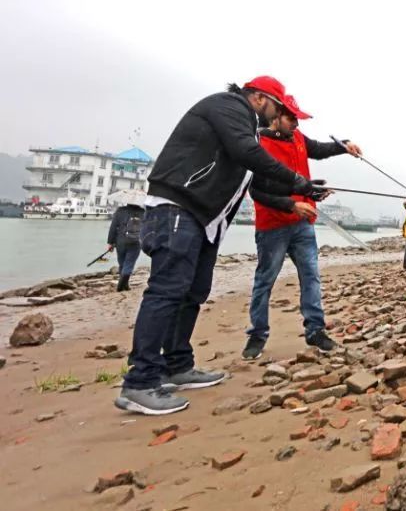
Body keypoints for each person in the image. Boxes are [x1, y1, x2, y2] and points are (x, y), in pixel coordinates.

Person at [115, 77, 319, 416]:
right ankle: (140, 382)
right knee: (166, 292)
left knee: (194, 291)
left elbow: (253, 169)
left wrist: (306, 186)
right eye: (278, 107)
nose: (279, 114)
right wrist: (297, 182)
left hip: (204, 219)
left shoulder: (246, 124)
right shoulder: (229, 107)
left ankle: (177, 365)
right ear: (258, 98)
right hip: (177, 208)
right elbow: (247, 153)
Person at [242, 95, 362, 360]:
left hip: (302, 224)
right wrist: (290, 204)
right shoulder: (257, 144)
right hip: (272, 226)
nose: (296, 123)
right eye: (291, 118)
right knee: (265, 280)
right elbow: (256, 191)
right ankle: (257, 335)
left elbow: (318, 149)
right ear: (275, 117)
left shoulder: (298, 137)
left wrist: (344, 145)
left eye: (298, 119)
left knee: (311, 276)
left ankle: (315, 331)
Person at [107, 202, 144, 292]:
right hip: (135, 241)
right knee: (129, 264)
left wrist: (110, 242)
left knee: (122, 263)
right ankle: (124, 285)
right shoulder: (143, 212)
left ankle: (120, 286)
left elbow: (113, 227)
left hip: (120, 241)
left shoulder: (120, 210)